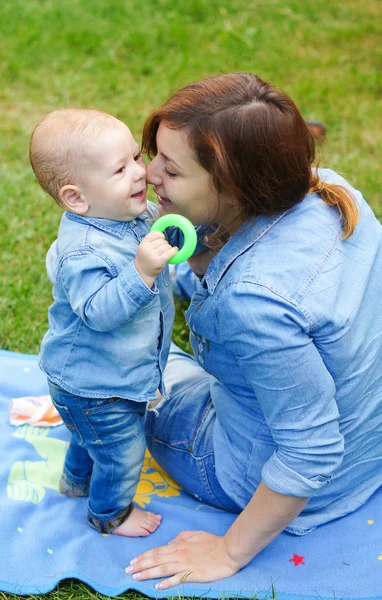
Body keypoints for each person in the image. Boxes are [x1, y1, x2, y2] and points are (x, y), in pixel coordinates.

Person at [125, 73, 382, 588]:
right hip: (367, 447)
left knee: (121, 374)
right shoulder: (330, 190)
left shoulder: (253, 305)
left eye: (170, 170)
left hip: (258, 472)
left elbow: (311, 452)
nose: (148, 173)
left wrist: (226, 553)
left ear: (235, 189)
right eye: (154, 153)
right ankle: (189, 266)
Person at [29, 108, 179, 537]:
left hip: (109, 378)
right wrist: (141, 273)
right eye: (121, 169)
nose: (140, 173)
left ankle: (75, 482)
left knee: (86, 437)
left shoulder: (130, 215)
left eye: (136, 157)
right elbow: (98, 311)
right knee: (121, 452)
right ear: (77, 198)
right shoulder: (84, 252)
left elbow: (166, 230)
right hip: (94, 384)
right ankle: (109, 513)